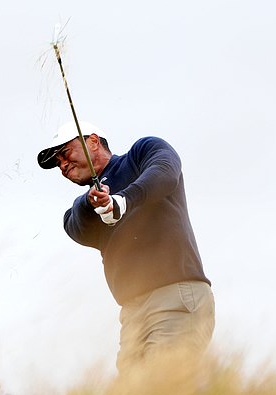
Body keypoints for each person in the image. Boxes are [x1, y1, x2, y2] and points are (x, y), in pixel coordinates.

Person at [37, 120, 215, 373]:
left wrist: (123, 201)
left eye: (65, 153)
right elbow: (74, 224)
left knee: (160, 389)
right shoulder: (88, 208)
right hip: (133, 313)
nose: (63, 165)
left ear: (93, 141)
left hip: (175, 295)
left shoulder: (141, 153)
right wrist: (94, 203)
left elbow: (165, 169)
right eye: (57, 164)